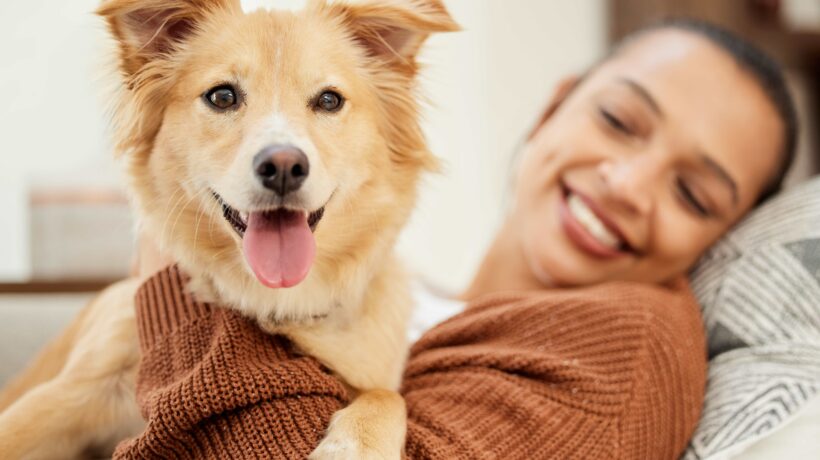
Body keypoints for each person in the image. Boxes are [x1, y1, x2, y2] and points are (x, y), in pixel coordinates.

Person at [118, 19, 797, 460]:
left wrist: (169, 280)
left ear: (719, 240)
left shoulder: (628, 352)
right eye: (619, 121)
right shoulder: (391, 302)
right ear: (553, 106)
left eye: (692, 195)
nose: (626, 183)